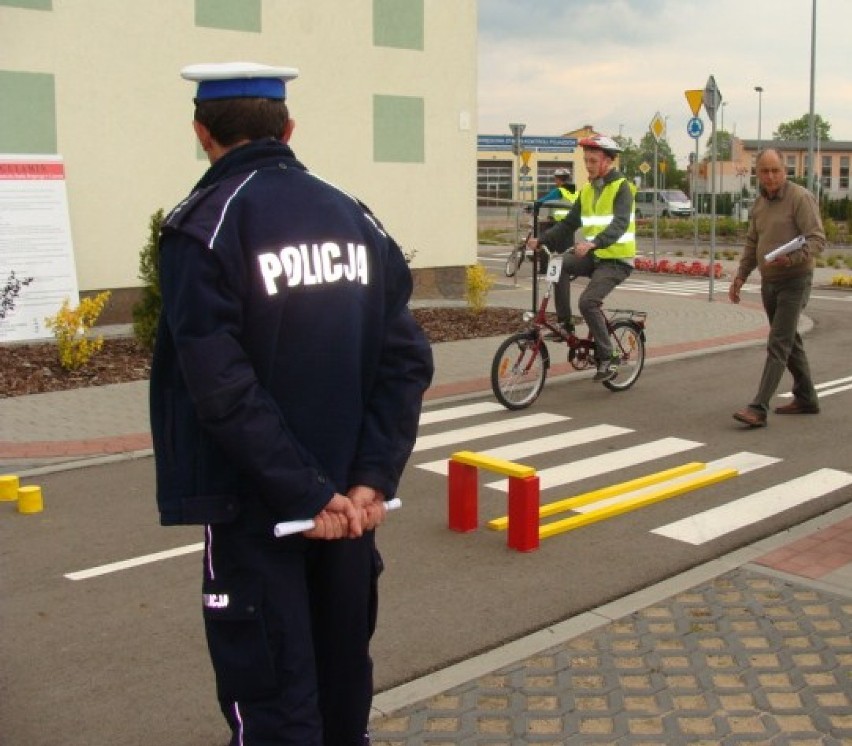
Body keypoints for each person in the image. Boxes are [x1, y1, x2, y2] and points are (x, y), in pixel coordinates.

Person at [149, 62, 434, 745]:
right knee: (343, 698)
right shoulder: (355, 216)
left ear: (201, 133)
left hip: (260, 516)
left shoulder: (206, 227)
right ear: (288, 128)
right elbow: (406, 361)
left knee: (275, 709)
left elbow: (220, 386)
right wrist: (369, 479)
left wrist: (304, 494)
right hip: (350, 517)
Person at [526, 135, 636, 381]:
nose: (588, 166)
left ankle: (608, 357)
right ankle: (565, 325)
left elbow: (619, 224)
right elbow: (568, 224)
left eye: (593, 161)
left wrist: (593, 243)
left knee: (587, 302)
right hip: (594, 256)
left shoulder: (622, 188)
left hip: (617, 260)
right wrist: (541, 239)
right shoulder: (586, 191)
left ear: (608, 161)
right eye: (586, 161)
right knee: (559, 264)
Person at [730, 148, 824, 428]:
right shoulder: (759, 203)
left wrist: (793, 257)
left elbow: (817, 240)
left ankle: (758, 407)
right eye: (764, 171)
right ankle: (806, 397)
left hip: (795, 280)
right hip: (769, 282)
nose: (770, 177)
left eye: (775, 170)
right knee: (788, 339)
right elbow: (752, 243)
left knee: (779, 342)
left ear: (785, 171)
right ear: (757, 174)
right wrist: (740, 276)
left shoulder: (800, 198)